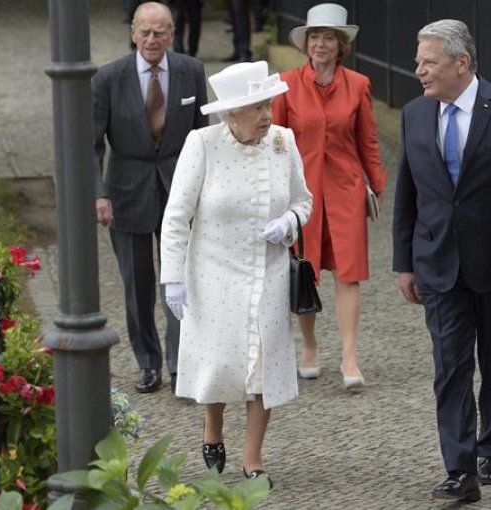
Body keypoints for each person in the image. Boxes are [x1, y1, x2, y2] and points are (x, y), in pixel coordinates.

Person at [392, 19, 491, 502]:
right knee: (450, 366)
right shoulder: (415, 114)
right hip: (438, 263)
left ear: (461, 62)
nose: (419, 70)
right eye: (419, 61)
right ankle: (460, 469)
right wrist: (404, 262)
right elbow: (408, 192)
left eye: (428, 61)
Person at [160, 61, 312, 486]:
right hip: (212, 273)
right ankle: (212, 426)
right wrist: (173, 277)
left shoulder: (284, 141)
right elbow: (176, 217)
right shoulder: (202, 143)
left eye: (268, 105)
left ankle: (253, 458)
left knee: (263, 365)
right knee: (220, 361)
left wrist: (289, 224)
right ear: (231, 113)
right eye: (257, 107)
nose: (267, 115)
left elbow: (304, 201)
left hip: (269, 272)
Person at [93, 2, 208, 394]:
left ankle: (181, 363)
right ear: (133, 33)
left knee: (180, 279)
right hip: (127, 191)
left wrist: (206, 187)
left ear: (172, 34)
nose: (152, 39)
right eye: (145, 32)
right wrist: (99, 194)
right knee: (137, 285)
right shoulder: (108, 78)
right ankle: (148, 363)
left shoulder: (191, 71)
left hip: (181, 188)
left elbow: (202, 135)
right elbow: (91, 144)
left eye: (160, 32)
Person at [271, 3, 386, 389]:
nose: (321, 44)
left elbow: (367, 140)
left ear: (341, 45)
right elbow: (275, 142)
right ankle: (308, 346)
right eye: (315, 37)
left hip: (346, 188)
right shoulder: (285, 85)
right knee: (306, 270)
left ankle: (350, 357)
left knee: (349, 273)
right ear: (306, 43)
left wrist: (377, 183)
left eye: (329, 38)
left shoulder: (358, 85)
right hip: (300, 193)